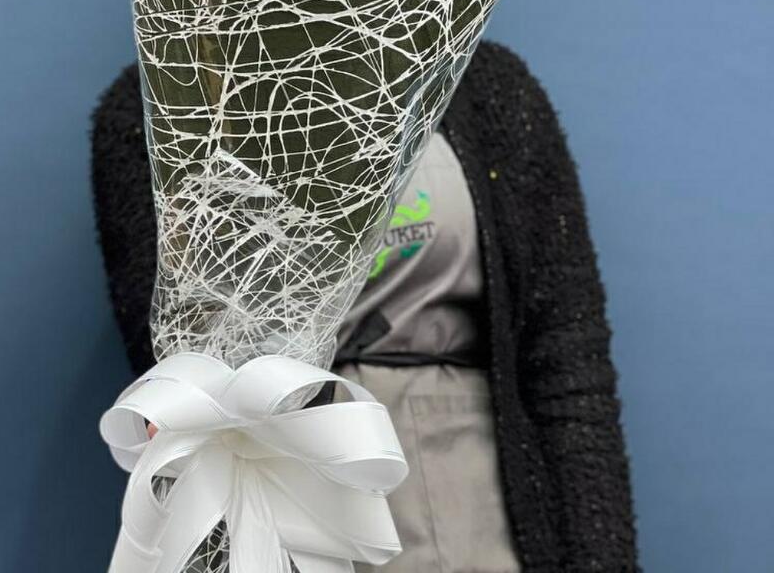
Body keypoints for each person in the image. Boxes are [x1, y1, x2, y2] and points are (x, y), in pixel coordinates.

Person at [91, 41, 639, 572]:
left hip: (487, 506)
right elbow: (173, 381)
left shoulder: (490, 87)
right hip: (288, 509)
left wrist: (602, 555)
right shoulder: (165, 100)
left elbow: (569, 366)